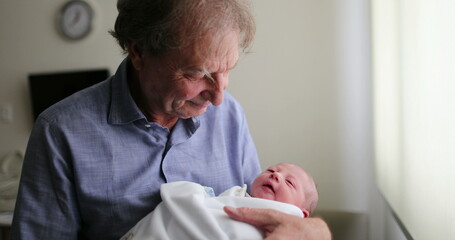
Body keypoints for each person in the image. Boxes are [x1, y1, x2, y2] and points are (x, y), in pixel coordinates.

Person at [12, 0, 331, 239]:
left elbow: (262, 213)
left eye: (227, 70)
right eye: (197, 73)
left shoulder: (229, 116)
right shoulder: (61, 132)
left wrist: (316, 229)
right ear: (138, 52)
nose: (218, 96)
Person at [120, 163, 318, 239]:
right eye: (272, 171)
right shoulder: (236, 195)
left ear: (302, 213)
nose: (276, 176)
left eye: (290, 183)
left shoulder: (294, 222)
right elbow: (211, 207)